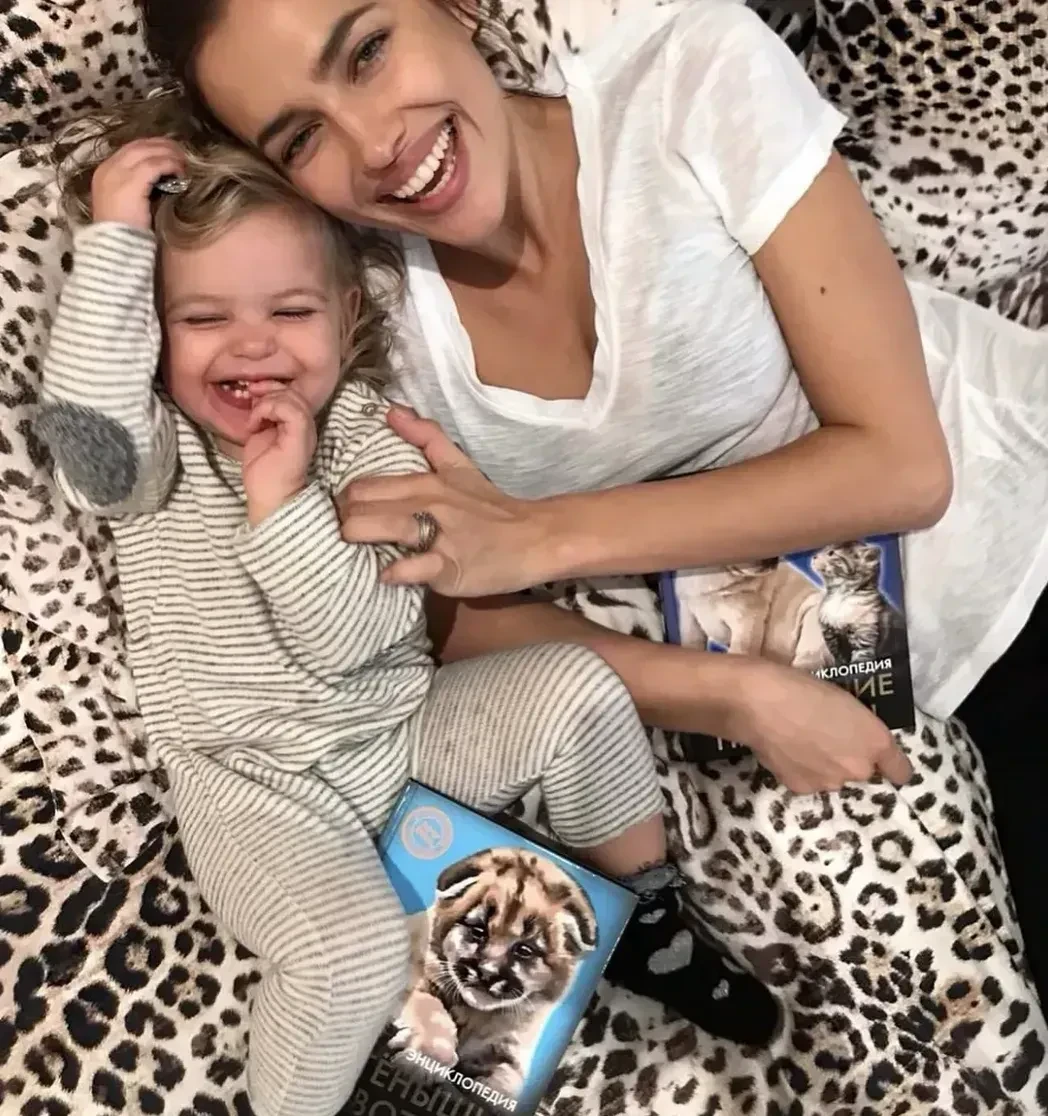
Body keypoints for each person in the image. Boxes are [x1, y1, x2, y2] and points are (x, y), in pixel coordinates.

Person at [137, 0, 1048, 1000]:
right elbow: (446, 612)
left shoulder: (690, 76)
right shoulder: (361, 321)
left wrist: (541, 536)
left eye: (368, 52)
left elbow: (903, 468)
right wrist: (736, 696)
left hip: (1016, 525)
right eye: (301, 137)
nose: (374, 144)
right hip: (866, 691)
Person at [35, 110, 779, 1116]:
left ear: (346, 319)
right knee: (348, 958)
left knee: (581, 687)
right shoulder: (157, 456)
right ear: (154, 339)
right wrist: (117, 240)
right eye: (202, 320)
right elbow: (86, 434)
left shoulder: (368, 439)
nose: (251, 345)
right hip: (251, 784)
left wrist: (285, 503)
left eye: (289, 311)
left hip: (398, 733)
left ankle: (645, 914)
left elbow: (357, 639)